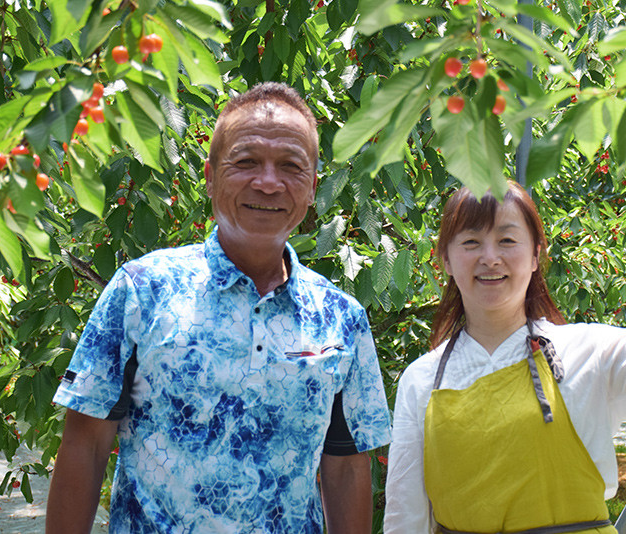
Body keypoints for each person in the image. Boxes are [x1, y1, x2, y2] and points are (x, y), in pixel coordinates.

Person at [46, 82, 391, 534]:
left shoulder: (341, 318)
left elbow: (345, 469)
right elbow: (85, 445)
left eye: (290, 166)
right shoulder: (142, 291)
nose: (268, 182)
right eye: (246, 162)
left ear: (311, 188)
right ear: (209, 176)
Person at [384, 180, 626, 534]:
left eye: (507, 240)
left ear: (537, 255)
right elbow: (406, 516)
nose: (490, 258)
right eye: (471, 242)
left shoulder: (588, 353)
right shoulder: (422, 380)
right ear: (445, 259)